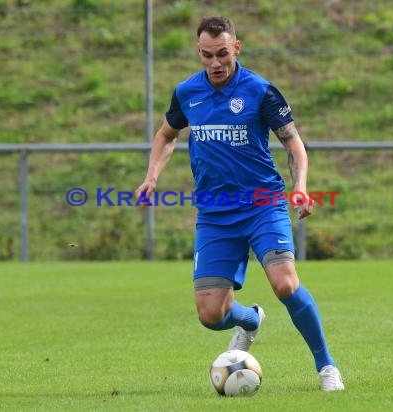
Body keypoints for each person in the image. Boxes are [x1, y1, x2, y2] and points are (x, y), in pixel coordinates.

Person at [135, 16, 344, 391]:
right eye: (206, 55)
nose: (215, 63)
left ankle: (326, 366)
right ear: (198, 53)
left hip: (263, 204)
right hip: (215, 214)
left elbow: (292, 142)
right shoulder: (187, 93)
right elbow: (167, 135)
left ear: (237, 48)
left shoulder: (260, 91)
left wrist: (300, 186)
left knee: (285, 284)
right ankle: (250, 320)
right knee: (211, 315)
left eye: (222, 54)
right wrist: (152, 176)